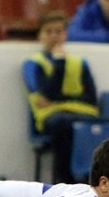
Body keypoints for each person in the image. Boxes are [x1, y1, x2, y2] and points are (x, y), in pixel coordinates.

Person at [22, 10, 100, 184]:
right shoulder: (33, 64)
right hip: (51, 118)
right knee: (62, 124)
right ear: (40, 35)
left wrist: (59, 99)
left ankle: (94, 180)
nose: (54, 36)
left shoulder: (80, 63)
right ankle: (66, 181)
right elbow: (48, 93)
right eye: (48, 31)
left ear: (65, 34)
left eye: (58, 31)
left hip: (82, 114)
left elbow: (91, 98)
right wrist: (59, 63)